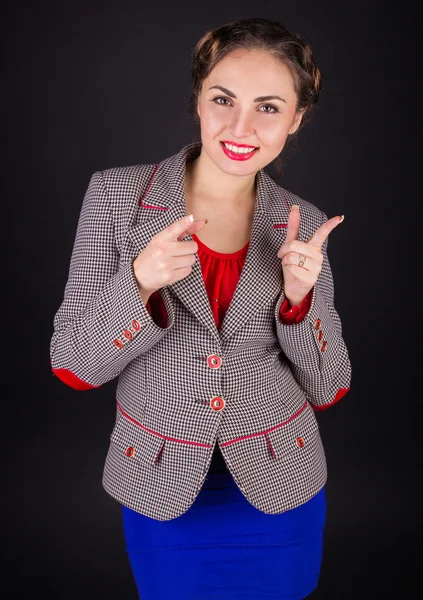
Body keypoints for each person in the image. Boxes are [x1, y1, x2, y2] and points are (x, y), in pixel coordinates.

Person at [50, 16, 352, 600]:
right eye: (223, 99)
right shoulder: (115, 196)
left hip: (279, 485)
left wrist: (300, 302)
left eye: (268, 107)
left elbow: (329, 386)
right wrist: (138, 284)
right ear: (197, 99)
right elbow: (72, 365)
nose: (241, 126)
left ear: (296, 118)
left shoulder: (303, 223)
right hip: (160, 484)